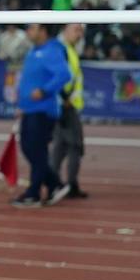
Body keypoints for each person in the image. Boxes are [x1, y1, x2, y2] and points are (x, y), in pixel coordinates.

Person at [12, 23, 73, 209]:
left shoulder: (52, 50)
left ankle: (35, 193)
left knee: (36, 151)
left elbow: (64, 75)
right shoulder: (33, 51)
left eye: (32, 28)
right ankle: (54, 184)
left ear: (43, 31)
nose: (28, 32)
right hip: (30, 109)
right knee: (29, 149)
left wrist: (45, 91)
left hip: (43, 110)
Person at [51, 23, 89, 199]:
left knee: (61, 145)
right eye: (76, 30)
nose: (79, 34)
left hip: (66, 104)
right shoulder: (62, 50)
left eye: (81, 31)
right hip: (66, 105)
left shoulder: (69, 50)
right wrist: (64, 98)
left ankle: (53, 181)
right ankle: (70, 184)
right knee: (74, 145)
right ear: (64, 30)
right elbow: (57, 76)